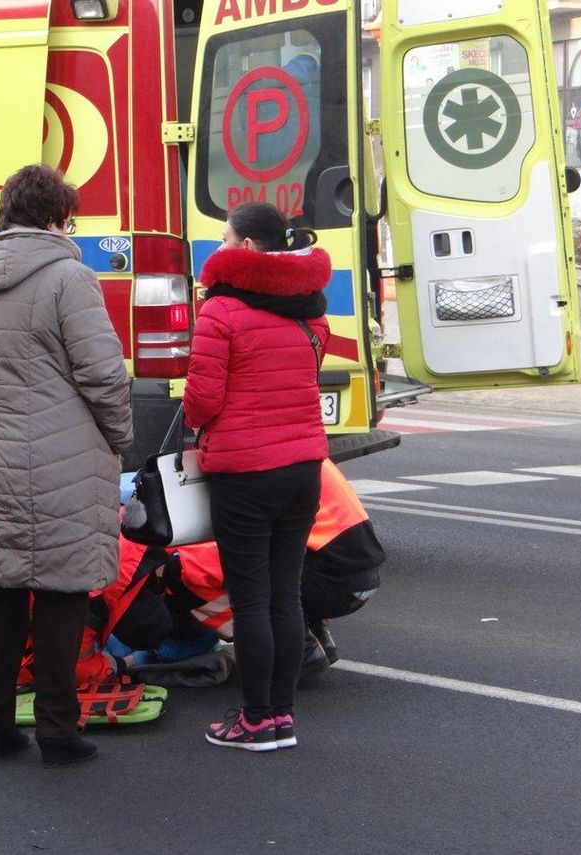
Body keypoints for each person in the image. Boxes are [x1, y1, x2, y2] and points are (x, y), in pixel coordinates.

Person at [0, 164, 133, 767]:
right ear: (56, 219)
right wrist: (119, 437)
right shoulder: (69, 277)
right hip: (62, 462)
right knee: (60, 591)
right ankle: (56, 729)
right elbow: (102, 375)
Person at [183, 201, 331, 751]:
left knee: (250, 599)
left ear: (245, 247)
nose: (219, 246)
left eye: (224, 237)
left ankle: (254, 719)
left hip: (245, 473)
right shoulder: (310, 308)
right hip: (303, 469)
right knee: (286, 595)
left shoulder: (220, 312)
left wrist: (201, 424)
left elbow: (202, 399)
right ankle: (282, 717)